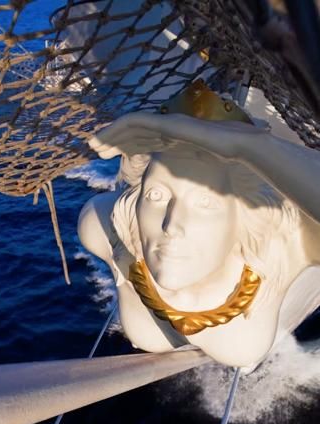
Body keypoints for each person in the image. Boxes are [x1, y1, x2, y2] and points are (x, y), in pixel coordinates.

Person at [78, 100, 320, 368]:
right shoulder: (102, 226)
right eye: (156, 195)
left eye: (206, 203)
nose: (172, 225)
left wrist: (251, 148)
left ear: (245, 215)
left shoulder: (287, 244)